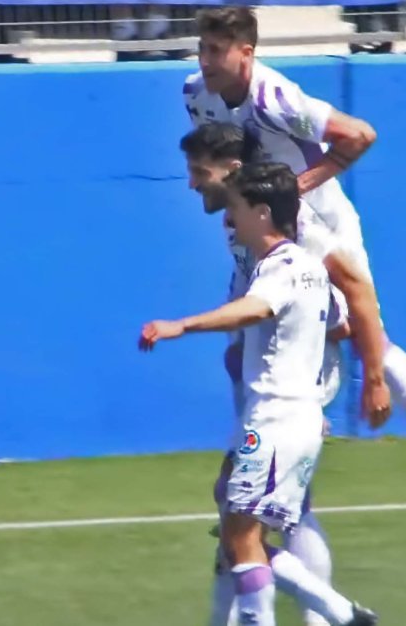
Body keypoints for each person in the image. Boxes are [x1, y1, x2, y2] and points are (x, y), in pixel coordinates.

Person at [183, 6, 406, 517]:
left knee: (363, 333)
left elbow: (360, 134)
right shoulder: (195, 96)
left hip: (318, 222)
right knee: (243, 335)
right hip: (261, 225)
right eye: (203, 48)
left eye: (217, 49)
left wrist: (296, 189)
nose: (205, 60)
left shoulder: (275, 98)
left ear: (246, 53)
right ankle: (264, 453)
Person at [140, 163, 378, 626]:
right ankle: (340, 612)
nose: (231, 219)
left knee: (242, 540)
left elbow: (254, 309)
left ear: (264, 213)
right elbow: (339, 326)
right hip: (295, 418)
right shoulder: (311, 268)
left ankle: (324, 613)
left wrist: (181, 326)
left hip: (273, 419)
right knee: (235, 524)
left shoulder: (281, 267)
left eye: (239, 209)